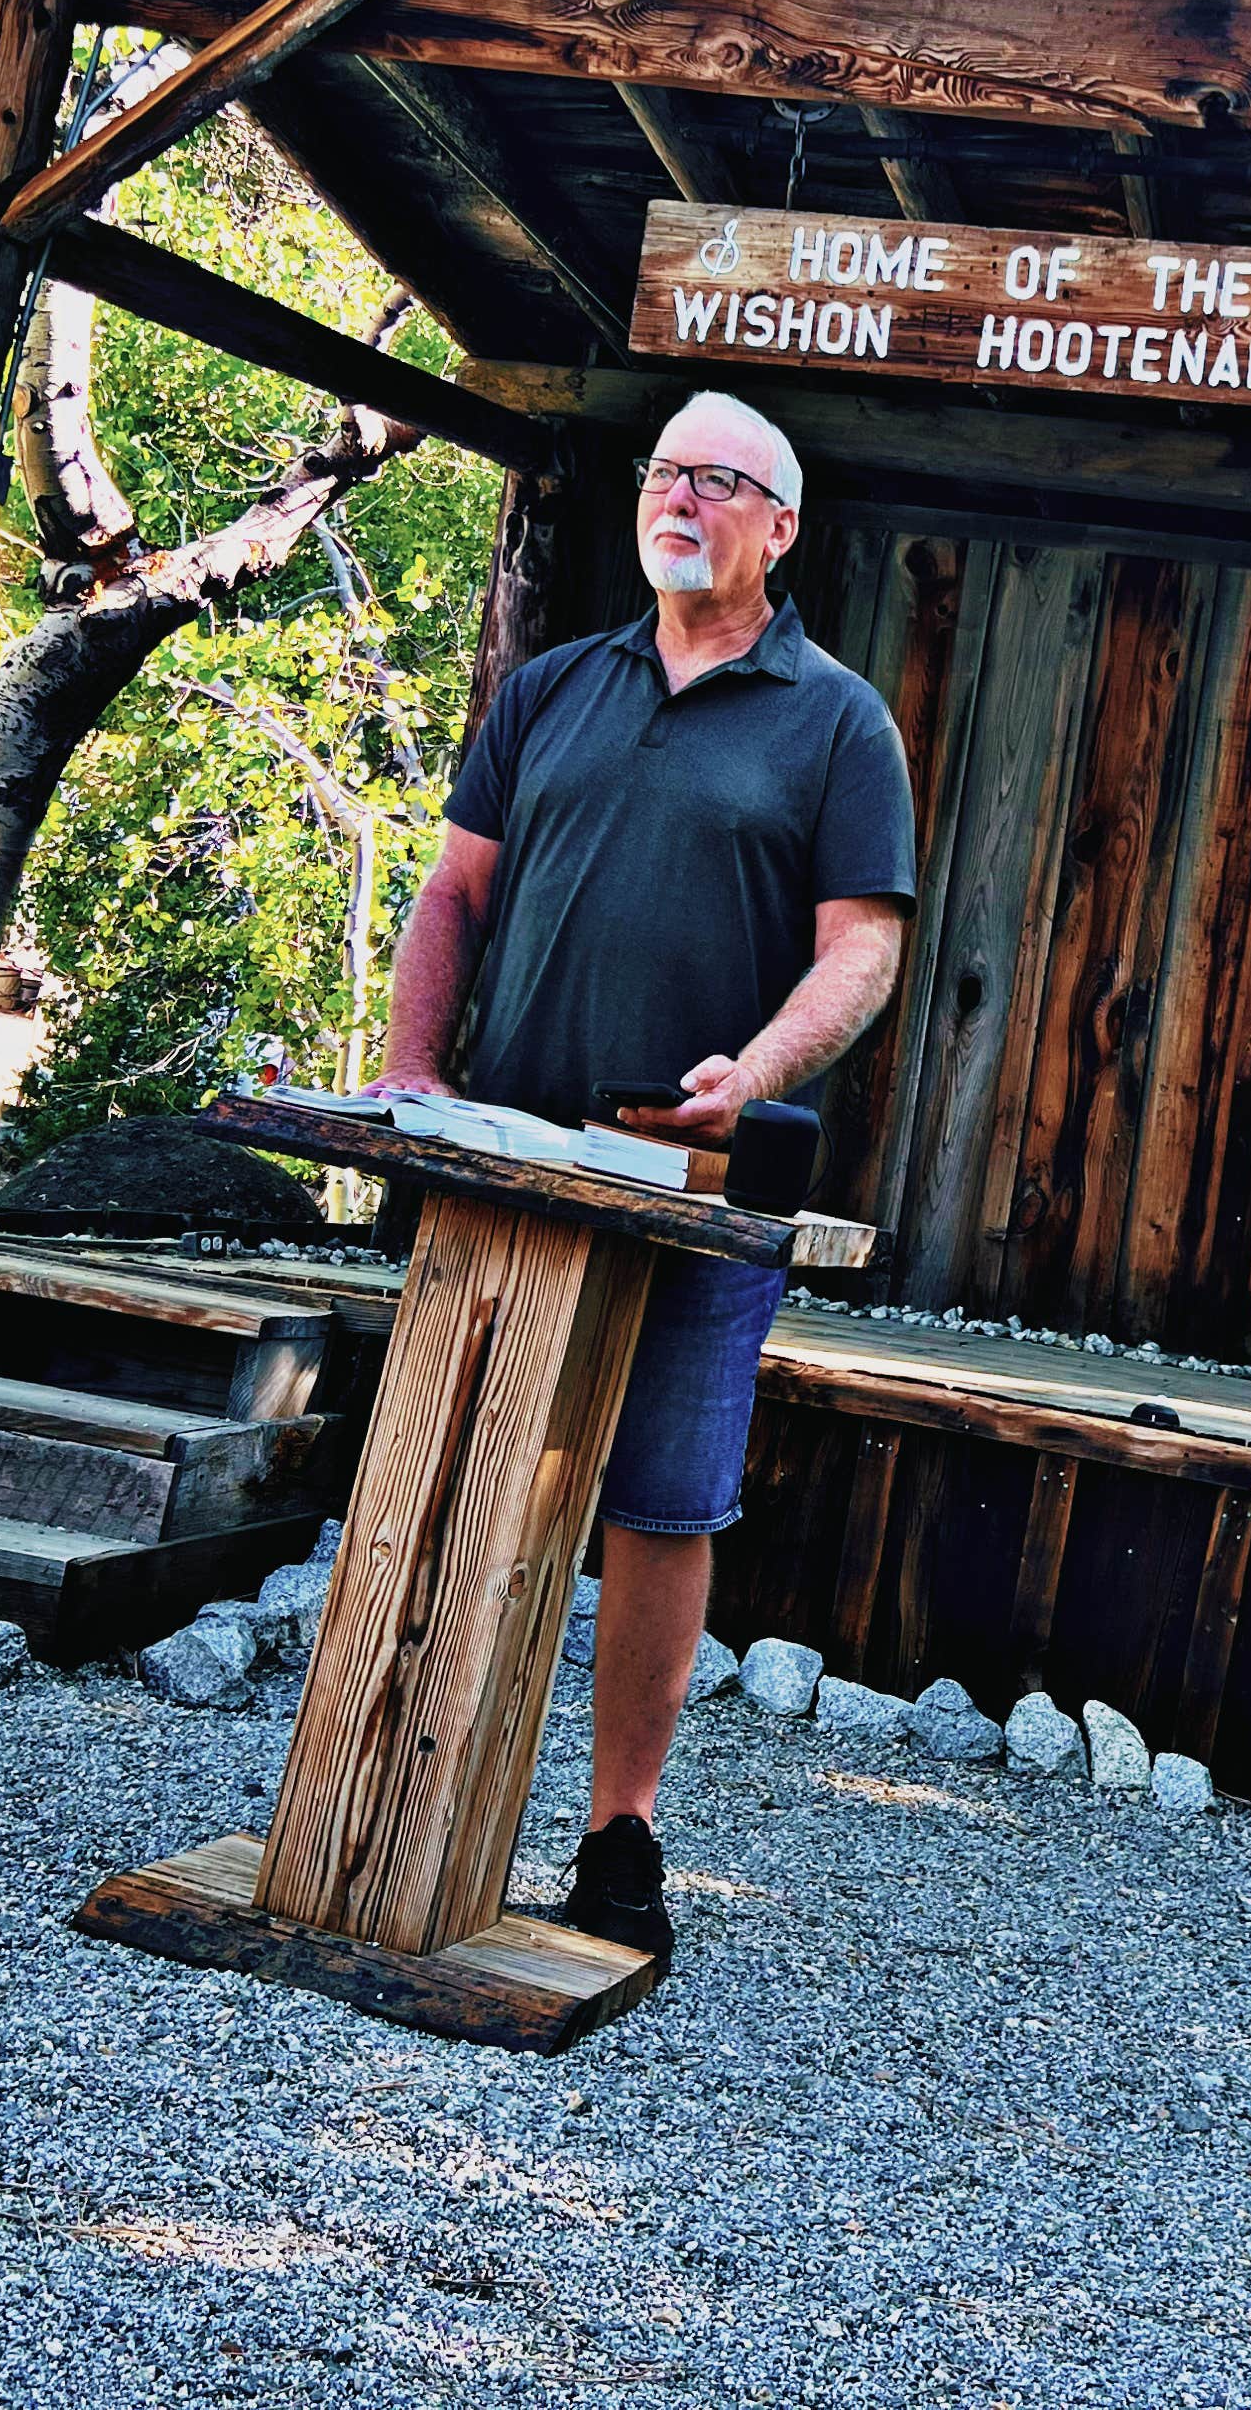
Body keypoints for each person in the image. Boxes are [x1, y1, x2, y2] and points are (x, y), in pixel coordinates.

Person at [379, 393, 913, 1962]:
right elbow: (453, 891)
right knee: (449, 1457)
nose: (679, 496)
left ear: (779, 526)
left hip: (692, 1181)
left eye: (718, 480)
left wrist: (748, 1070)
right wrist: (412, 1074)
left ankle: (619, 1830)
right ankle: (402, 1777)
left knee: (661, 1507)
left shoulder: (835, 719)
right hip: (508, 1165)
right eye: (665, 472)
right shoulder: (549, 687)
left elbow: (863, 946)